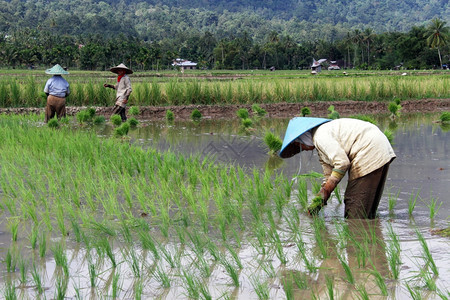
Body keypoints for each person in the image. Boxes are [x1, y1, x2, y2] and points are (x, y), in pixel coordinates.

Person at [279, 117, 396, 219]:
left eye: (299, 146)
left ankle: (358, 238)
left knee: (354, 210)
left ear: (302, 139)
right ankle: (371, 239)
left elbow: (342, 163)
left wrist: (327, 190)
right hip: (379, 147)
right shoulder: (321, 144)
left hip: (368, 149)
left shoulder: (320, 136)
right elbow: (328, 175)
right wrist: (320, 199)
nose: (303, 149)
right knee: (367, 209)